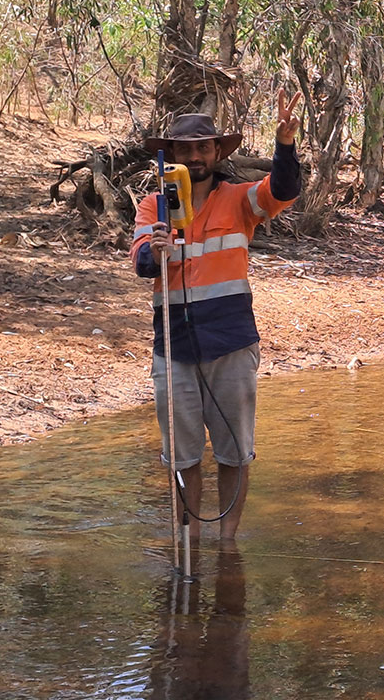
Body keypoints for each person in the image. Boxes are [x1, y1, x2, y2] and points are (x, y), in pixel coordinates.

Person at [131, 90, 303, 541]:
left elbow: (283, 191)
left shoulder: (239, 199)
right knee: (182, 456)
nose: (194, 157)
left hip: (231, 343)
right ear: (171, 156)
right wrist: (156, 249)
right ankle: (186, 539)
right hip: (175, 348)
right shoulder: (155, 206)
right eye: (184, 150)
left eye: (202, 148)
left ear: (216, 152)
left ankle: (227, 545)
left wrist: (284, 145)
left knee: (234, 452)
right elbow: (141, 263)